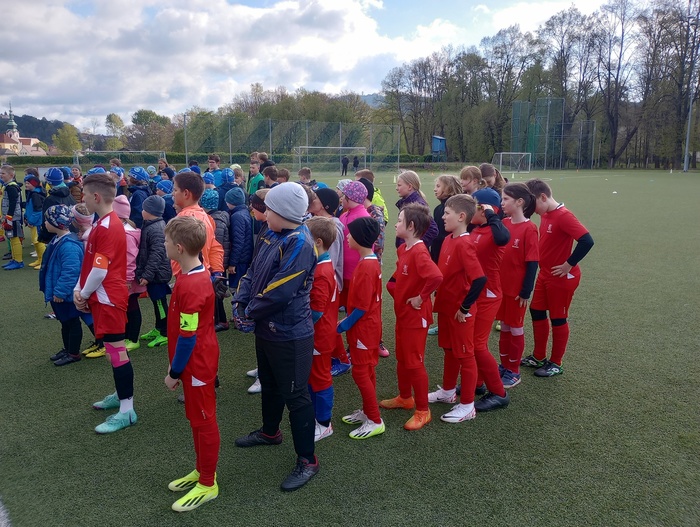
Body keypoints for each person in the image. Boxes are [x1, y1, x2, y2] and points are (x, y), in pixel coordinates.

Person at [233, 183, 319, 492]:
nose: (263, 213)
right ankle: (270, 432)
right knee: (269, 383)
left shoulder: (301, 242)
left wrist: (248, 312)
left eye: (268, 208)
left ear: (282, 212)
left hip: (290, 333)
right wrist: (239, 303)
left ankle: (308, 460)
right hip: (266, 328)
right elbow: (252, 272)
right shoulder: (269, 231)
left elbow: (280, 292)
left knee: (296, 396)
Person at [163, 215, 221, 512]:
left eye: (166, 241)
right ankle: (201, 470)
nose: (164, 244)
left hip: (197, 362)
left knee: (204, 419)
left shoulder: (194, 284)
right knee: (196, 418)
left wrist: (174, 372)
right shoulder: (189, 277)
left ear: (180, 248)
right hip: (191, 361)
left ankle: (208, 483)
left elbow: (188, 337)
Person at [74, 172, 134, 434]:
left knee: (117, 352)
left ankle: (127, 410)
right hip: (102, 296)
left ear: (96, 197)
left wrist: (84, 294)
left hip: (109, 299)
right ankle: (121, 396)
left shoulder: (108, 226)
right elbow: (90, 265)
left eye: (85, 195)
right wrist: (79, 289)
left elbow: (100, 270)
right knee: (113, 352)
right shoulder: (102, 224)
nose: (83, 199)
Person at [522, 178, 594, 377]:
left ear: (543, 197)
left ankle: (556, 363)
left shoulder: (564, 216)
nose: (532, 210)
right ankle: (539, 357)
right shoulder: (546, 214)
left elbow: (587, 240)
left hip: (562, 277)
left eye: (533, 204)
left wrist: (568, 264)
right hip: (545, 274)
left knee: (558, 318)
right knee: (536, 311)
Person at [382, 204, 443, 430]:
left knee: (414, 363)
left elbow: (436, 277)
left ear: (411, 226)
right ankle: (405, 397)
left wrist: (420, 297)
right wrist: (394, 287)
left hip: (416, 317)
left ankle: (423, 411)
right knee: (402, 358)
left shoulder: (419, 251)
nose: (395, 224)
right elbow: (399, 277)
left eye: (399, 220)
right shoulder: (403, 249)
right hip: (403, 314)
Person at [429, 194, 487, 423]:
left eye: (447, 213)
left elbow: (479, 279)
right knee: (450, 350)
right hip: (446, 307)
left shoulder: (465, 243)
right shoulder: (448, 239)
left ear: (461, 216)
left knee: (465, 355)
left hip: (459, 312)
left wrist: (464, 308)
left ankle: (468, 405)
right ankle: (448, 391)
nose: (443, 217)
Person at [337, 216, 385, 439]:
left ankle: (375, 419)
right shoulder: (368, 262)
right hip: (366, 327)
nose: (347, 236)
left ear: (359, 237)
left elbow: (362, 307)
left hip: (364, 329)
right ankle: (368, 411)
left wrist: (342, 326)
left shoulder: (367, 266)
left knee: (360, 371)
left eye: (350, 233)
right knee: (366, 370)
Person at [468, 188, 510, 412]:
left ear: (485, 209)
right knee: (472, 343)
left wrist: (492, 214)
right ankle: (477, 383)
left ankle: (499, 393)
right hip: (476, 294)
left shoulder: (495, 231)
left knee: (478, 345)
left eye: (473, 206)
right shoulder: (477, 229)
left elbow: (503, 237)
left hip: (489, 295)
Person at [498, 183, 539, 388]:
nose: (502, 202)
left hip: (516, 291)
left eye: (506, 199)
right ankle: (504, 365)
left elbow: (532, 262)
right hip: (500, 288)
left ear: (520, 202)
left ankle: (514, 371)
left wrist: (525, 291)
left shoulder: (529, 228)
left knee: (515, 328)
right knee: (504, 326)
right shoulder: (503, 223)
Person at [305, 216, 340, 442]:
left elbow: (316, 311)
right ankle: (316, 416)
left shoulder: (322, 271)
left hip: (320, 334)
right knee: (314, 375)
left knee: (320, 377)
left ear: (318, 242)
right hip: (320, 332)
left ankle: (325, 423)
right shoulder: (322, 265)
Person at [332, 181, 370, 374]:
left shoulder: (362, 217)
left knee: (355, 313)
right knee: (346, 310)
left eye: (343, 196)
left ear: (349, 198)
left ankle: (357, 349)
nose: (341, 198)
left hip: (355, 275)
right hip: (344, 274)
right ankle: (348, 349)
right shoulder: (345, 214)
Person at [41, 205, 84, 366]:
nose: (45, 223)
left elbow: (71, 271)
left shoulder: (69, 245)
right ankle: (68, 349)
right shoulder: (58, 239)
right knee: (65, 323)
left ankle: (73, 353)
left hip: (66, 295)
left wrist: (60, 292)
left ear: (56, 223)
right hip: (59, 292)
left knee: (72, 322)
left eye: (47, 220)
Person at [426, 175, 463, 336]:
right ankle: (444, 324)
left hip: (450, 255)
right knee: (440, 290)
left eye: (438, 186)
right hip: (438, 254)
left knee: (451, 290)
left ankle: (453, 322)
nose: (435, 189)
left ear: (448, 188)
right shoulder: (438, 209)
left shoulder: (456, 208)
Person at [170, 171, 224, 278]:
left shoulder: (184, 219)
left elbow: (180, 251)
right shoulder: (206, 217)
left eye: (175, 190)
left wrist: (180, 277)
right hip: (203, 274)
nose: (172, 193)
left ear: (186, 193)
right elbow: (215, 247)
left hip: (189, 276)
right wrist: (217, 272)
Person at [136, 195, 172, 349]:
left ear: (150, 211)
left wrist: (147, 275)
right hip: (155, 274)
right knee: (157, 302)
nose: (141, 211)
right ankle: (159, 327)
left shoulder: (156, 228)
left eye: (143, 209)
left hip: (157, 275)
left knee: (160, 303)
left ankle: (165, 332)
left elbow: (156, 254)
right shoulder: (151, 225)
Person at [112, 195, 146, 352]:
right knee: (128, 307)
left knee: (132, 306)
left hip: (128, 279)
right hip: (126, 277)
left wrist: (127, 279)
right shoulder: (126, 230)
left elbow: (130, 258)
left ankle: (133, 338)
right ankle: (128, 336)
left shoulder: (126, 234)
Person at [200, 189, 231, 332]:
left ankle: (221, 320)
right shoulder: (217, 218)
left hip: (217, 263)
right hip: (218, 261)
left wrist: (215, 267)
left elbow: (215, 245)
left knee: (217, 293)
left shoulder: (215, 222)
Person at [394, 170, 438, 249]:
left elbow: (433, 230)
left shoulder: (417, 205)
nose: (396, 188)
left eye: (399, 185)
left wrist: (414, 246)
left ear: (409, 187)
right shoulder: (407, 203)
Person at [1, 165, 24, 270]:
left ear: (11, 175)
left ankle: (18, 261)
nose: (1, 175)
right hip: (8, 216)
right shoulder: (7, 186)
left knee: (14, 238)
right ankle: (14, 259)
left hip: (13, 217)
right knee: (11, 238)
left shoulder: (11, 187)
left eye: (3, 173)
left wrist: (9, 216)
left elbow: (13, 202)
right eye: (0, 173)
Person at [23, 172, 47, 269]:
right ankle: (39, 259)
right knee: (35, 241)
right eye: (26, 183)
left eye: (28, 183)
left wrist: (31, 221)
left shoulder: (36, 195)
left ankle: (43, 262)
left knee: (39, 241)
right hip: (33, 221)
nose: (26, 185)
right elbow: (29, 207)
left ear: (34, 184)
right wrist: (26, 216)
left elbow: (38, 210)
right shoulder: (32, 193)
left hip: (37, 222)